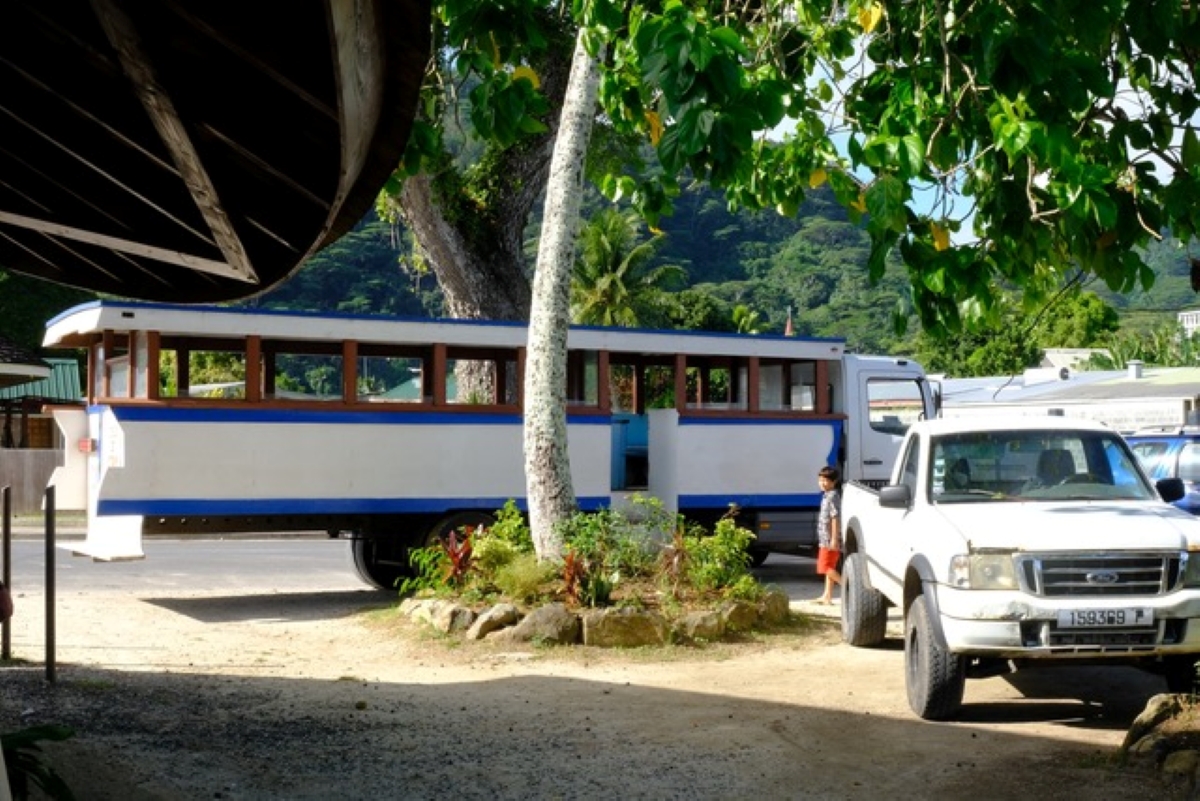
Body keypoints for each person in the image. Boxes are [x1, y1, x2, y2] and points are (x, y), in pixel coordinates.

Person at [816, 465, 842, 605]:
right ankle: (827, 596)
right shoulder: (827, 495)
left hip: (829, 539)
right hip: (825, 537)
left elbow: (835, 517)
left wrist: (834, 539)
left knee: (824, 567)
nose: (822, 483)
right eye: (821, 480)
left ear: (834, 482)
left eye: (826, 480)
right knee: (830, 566)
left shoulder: (832, 496)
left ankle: (848, 586)